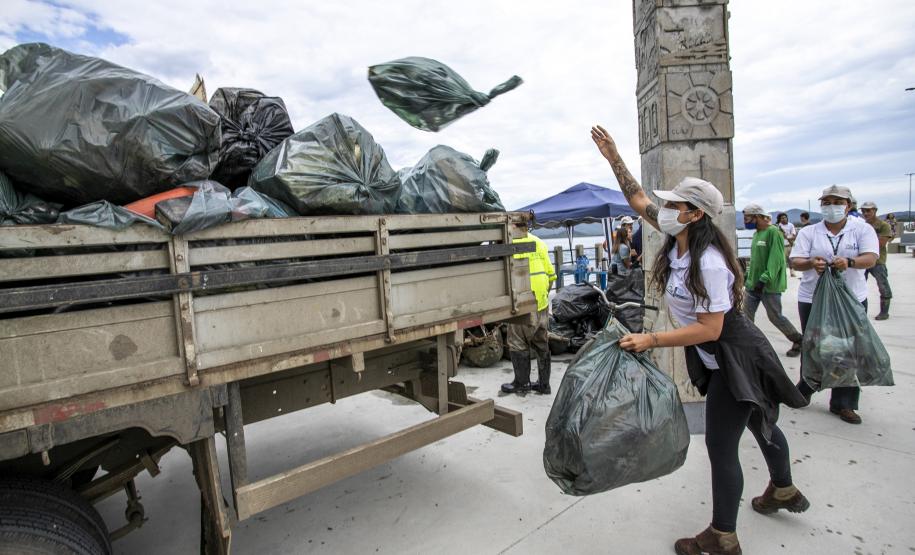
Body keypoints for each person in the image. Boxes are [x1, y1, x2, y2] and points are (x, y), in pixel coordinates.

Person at [592, 125, 809, 555]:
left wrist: (651, 340)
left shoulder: (708, 262)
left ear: (695, 214)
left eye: (675, 204)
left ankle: (722, 536)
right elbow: (638, 199)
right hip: (721, 352)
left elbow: (710, 329)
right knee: (758, 418)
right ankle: (783, 489)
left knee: (720, 444)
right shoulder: (677, 238)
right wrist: (612, 156)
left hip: (735, 354)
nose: (665, 208)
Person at [790, 185, 878, 424]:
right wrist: (810, 263)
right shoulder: (810, 232)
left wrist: (849, 261)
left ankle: (844, 402)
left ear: (848, 205)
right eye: (826, 202)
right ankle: (806, 387)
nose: (831, 206)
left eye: (837, 202)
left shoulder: (862, 229)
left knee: (848, 349)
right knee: (814, 344)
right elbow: (795, 260)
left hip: (850, 299)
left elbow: (871, 257)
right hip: (813, 298)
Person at [501, 227, 557, 395]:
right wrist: (544, 298)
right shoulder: (539, 242)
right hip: (542, 300)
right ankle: (544, 384)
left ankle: (522, 383)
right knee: (541, 341)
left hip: (524, 301)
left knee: (517, 342)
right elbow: (551, 276)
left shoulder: (509, 243)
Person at [743, 205, 804, 356]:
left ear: (757, 217)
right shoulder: (757, 234)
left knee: (775, 317)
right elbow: (755, 260)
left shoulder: (774, 233)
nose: (746, 221)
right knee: (745, 316)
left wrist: (764, 279)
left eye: (747, 218)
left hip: (768, 286)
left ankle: (798, 339)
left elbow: (776, 259)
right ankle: (749, 345)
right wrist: (747, 278)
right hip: (753, 286)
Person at [861, 201, 893, 320]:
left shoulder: (883, 225)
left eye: (868, 210)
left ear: (875, 211)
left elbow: (881, 243)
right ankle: (860, 312)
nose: (865, 213)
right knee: (859, 286)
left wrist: (863, 245)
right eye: (863, 211)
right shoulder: (862, 225)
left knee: (883, 286)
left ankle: (884, 312)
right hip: (862, 261)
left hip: (878, 262)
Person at [776, 213, 797, 277]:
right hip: (781, 245)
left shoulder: (791, 225)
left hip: (789, 245)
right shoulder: (778, 226)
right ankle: (782, 274)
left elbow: (793, 235)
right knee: (782, 260)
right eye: (782, 218)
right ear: (779, 219)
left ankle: (792, 272)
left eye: (785, 217)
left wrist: (787, 237)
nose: (784, 219)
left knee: (791, 260)